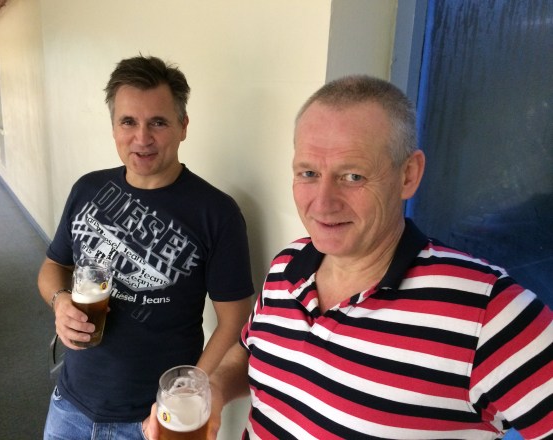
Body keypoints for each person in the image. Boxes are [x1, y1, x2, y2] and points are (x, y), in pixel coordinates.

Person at [147, 75, 553, 439]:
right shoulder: (288, 265)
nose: (323, 203)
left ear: (408, 175)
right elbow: (253, 349)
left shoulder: (488, 311)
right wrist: (214, 389)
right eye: (309, 173)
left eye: (353, 176)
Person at [38, 55, 255, 439]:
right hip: (69, 404)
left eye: (158, 122)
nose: (142, 138)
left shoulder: (217, 213)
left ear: (183, 126)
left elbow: (235, 321)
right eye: (128, 122)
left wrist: (190, 392)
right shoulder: (87, 189)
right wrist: (59, 301)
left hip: (152, 420)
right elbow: (53, 266)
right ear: (113, 127)